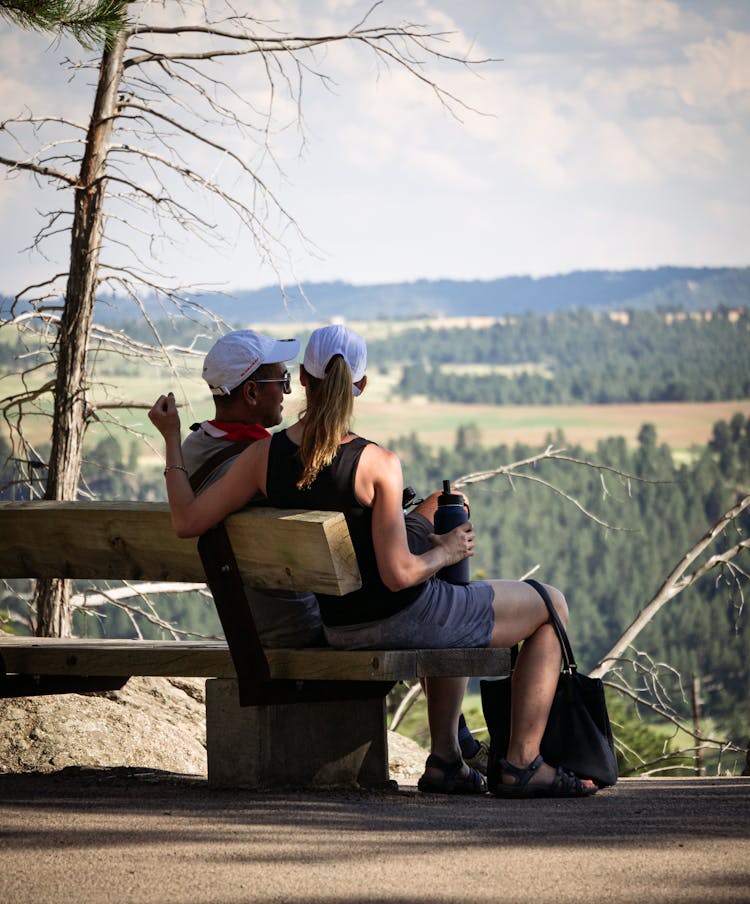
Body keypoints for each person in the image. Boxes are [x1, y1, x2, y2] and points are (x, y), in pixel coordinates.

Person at [150, 324, 596, 798]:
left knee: (444, 555)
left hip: (337, 624)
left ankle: (451, 755)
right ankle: (521, 764)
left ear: (304, 378)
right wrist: (446, 549)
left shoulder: (262, 456)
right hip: (399, 616)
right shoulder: (378, 462)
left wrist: (173, 439)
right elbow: (398, 575)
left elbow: (187, 520)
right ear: (360, 385)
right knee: (552, 604)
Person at [182, 329, 323, 648]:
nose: (286, 393)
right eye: (282, 381)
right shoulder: (270, 463)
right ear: (252, 393)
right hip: (300, 625)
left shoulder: (191, 450)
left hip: (243, 627)